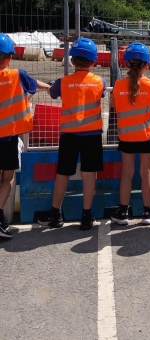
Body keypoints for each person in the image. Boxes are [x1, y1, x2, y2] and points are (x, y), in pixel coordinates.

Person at [38, 38, 105, 231]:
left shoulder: (63, 83)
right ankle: (86, 216)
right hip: (92, 134)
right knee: (89, 174)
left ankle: (55, 214)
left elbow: (52, 93)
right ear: (93, 62)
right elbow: (101, 94)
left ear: (72, 61)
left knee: (63, 174)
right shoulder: (100, 81)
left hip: (69, 135)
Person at [110, 42, 150, 226]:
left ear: (126, 64)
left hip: (126, 136)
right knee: (146, 172)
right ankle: (148, 211)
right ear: (147, 65)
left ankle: (123, 212)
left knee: (126, 173)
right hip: (146, 136)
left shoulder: (118, 85)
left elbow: (113, 105)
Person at [0, 34, 49, 238]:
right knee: (8, 179)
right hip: (7, 137)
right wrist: (52, 87)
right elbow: (35, 84)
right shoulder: (15, 75)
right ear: (10, 57)